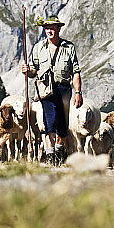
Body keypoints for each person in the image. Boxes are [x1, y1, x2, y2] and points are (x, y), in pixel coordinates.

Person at [22, 15, 82, 165]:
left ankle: (59, 152)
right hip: (45, 89)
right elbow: (33, 72)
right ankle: (50, 157)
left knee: (62, 125)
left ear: (58, 29)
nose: (49, 31)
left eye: (52, 28)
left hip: (63, 89)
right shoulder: (38, 48)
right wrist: (27, 71)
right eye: (47, 28)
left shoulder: (69, 48)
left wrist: (78, 92)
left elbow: (76, 72)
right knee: (49, 122)